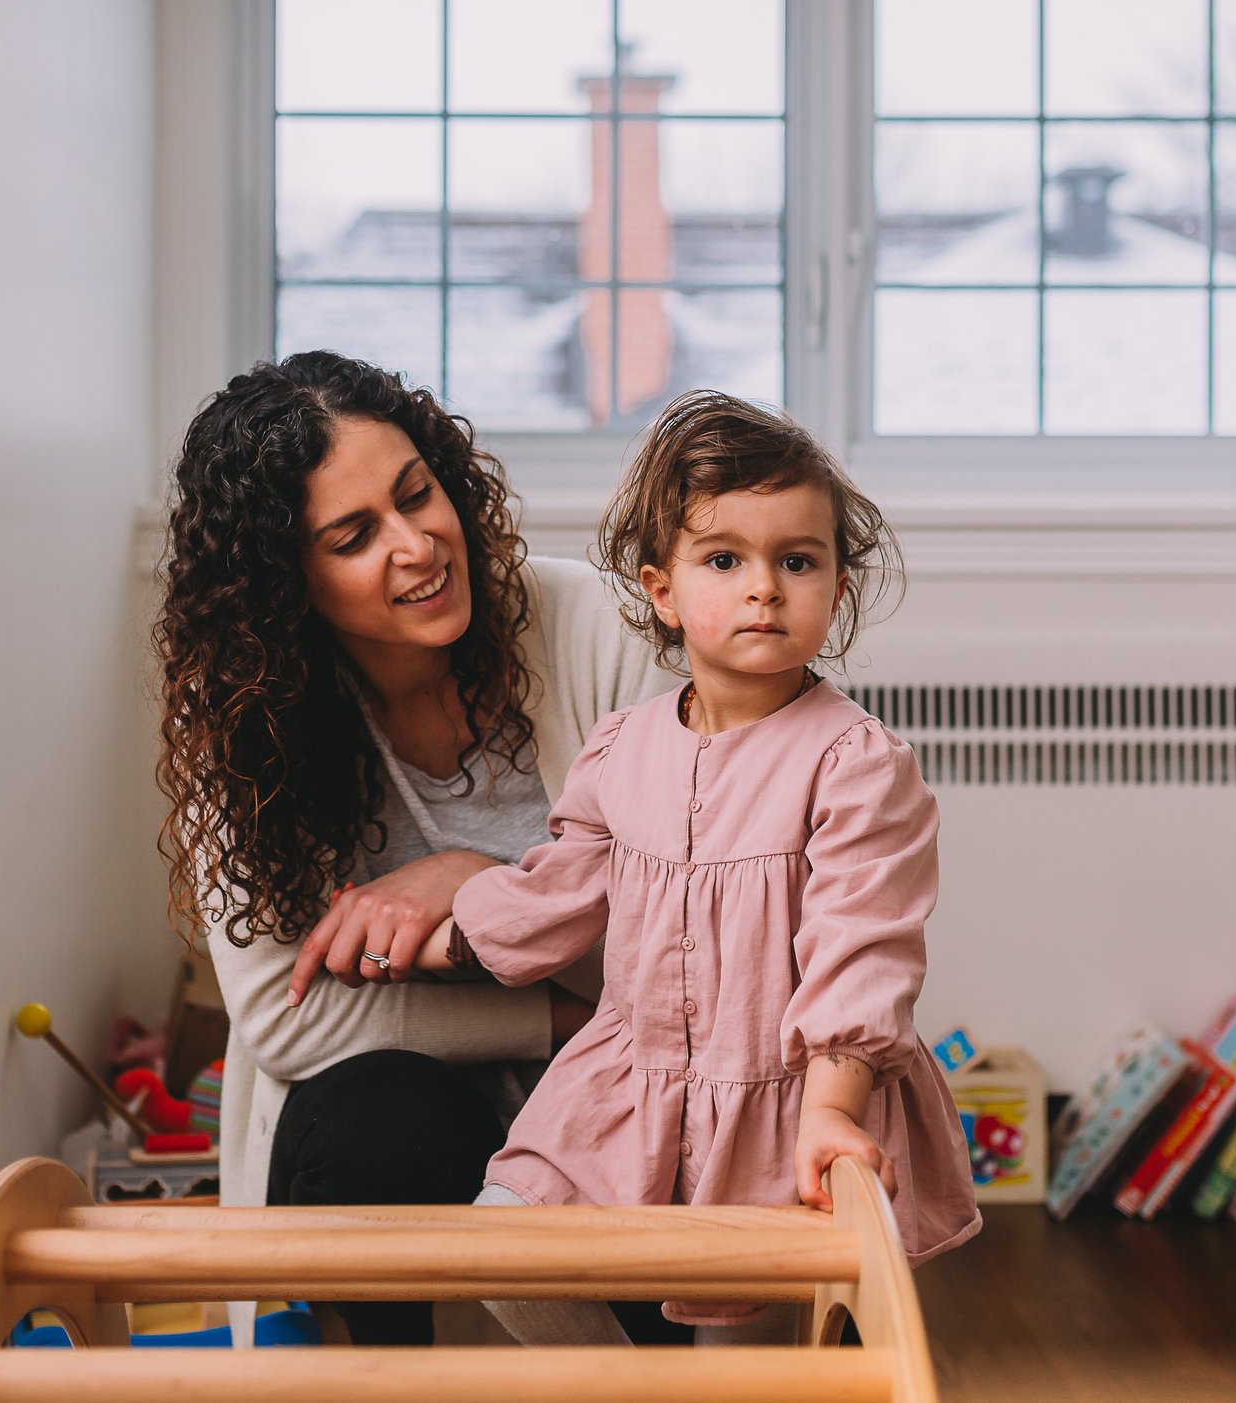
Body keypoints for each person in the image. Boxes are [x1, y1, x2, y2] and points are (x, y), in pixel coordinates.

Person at [400, 390, 981, 1345]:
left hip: (787, 1095)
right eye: (725, 559)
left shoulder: (856, 762)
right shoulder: (621, 747)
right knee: (502, 1243)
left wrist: (832, 1112)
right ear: (662, 590)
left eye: (797, 560)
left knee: (739, 1348)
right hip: (627, 1086)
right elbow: (559, 889)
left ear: (835, 586)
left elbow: (861, 952)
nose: (765, 587)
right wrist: (438, 937)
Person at [150, 351, 670, 1347]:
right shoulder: (240, 720)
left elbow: (688, 930)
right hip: (408, 1105)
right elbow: (280, 1016)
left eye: (415, 494)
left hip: (620, 1083)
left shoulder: (593, 629)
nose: (418, 543)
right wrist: (550, 1014)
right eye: (354, 535)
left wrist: (479, 889)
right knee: (378, 1119)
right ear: (284, 583)